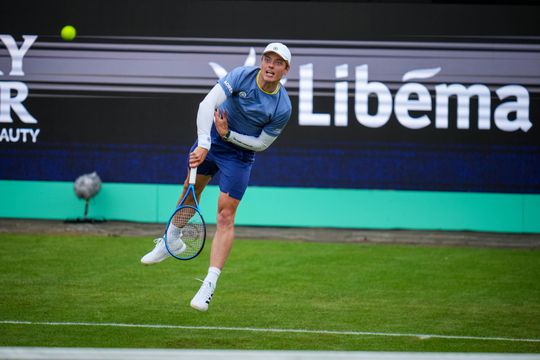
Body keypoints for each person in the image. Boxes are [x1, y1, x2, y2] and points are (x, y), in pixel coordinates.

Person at [141, 42, 292, 312]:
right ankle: (171, 240)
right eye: (267, 59)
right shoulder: (240, 76)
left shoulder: (282, 107)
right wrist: (204, 142)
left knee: (225, 216)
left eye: (277, 62)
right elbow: (207, 103)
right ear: (262, 61)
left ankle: (209, 285)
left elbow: (261, 144)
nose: (270, 65)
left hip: (240, 155)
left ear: (285, 70)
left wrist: (228, 135)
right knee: (190, 189)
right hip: (211, 142)